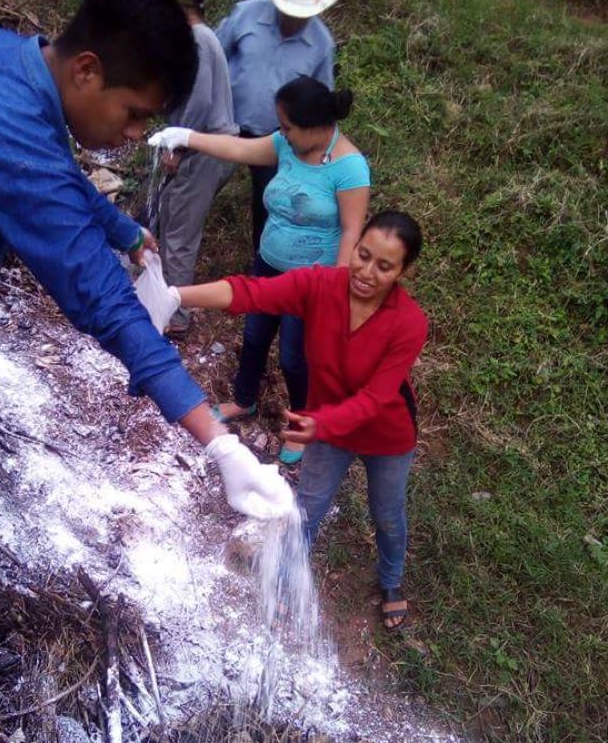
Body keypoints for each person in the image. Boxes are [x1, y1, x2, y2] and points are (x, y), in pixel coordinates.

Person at [0, 0, 292, 664]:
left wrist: (117, 225)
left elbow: (48, 168)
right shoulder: (14, 145)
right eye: (135, 112)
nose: (136, 132)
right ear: (87, 69)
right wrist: (218, 442)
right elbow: (104, 302)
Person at [171, 211, 427, 630]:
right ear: (355, 245)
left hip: (385, 434)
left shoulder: (409, 322)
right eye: (363, 255)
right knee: (304, 510)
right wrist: (178, 295)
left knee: (388, 514)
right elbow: (250, 293)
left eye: (385, 266)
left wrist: (321, 426)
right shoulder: (320, 285)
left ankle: (391, 581)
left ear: (402, 271)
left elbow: (378, 397)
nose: (366, 272)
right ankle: (286, 581)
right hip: (325, 425)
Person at [150, 75, 370, 464]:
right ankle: (244, 400)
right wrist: (188, 137)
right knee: (253, 336)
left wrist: (339, 285)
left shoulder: (349, 168)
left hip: (312, 281)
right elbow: (239, 148)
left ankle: (303, 424)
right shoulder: (286, 145)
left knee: (294, 357)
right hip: (269, 263)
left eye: (287, 126)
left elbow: (353, 230)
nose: (281, 134)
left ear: (316, 126)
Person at [216, 0, 338, 252]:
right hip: (225, 123)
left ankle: (263, 267)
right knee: (196, 188)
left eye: (301, 15)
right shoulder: (246, 14)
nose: (293, 19)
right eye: (288, 11)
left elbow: (321, 100)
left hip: (277, 138)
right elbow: (213, 55)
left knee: (270, 205)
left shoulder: (321, 43)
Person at [155, 0, 238, 337]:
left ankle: (177, 316)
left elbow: (201, 102)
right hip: (204, 144)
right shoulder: (201, 38)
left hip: (205, 147)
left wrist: (179, 146)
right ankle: (159, 299)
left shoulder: (198, 41)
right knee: (168, 217)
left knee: (180, 233)